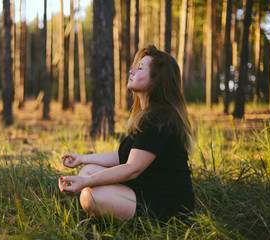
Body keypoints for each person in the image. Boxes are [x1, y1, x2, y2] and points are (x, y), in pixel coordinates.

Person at [58, 45, 194, 222]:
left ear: (157, 80)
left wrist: (85, 183)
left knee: (90, 197)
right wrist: (83, 158)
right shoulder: (149, 114)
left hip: (170, 207)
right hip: (146, 189)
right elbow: (125, 157)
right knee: (88, 170)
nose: (131, 71)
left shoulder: (159, 118)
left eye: (140, 68)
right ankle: (109, 217)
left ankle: (109, 219)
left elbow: (132, 168)